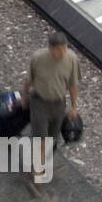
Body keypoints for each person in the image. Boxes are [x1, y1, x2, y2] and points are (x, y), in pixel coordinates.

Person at [23, 31, 80, 186]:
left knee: (50, 140)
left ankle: (37, 162)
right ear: (50, 48)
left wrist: (74, 106)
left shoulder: (72, 59)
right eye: (59, 49)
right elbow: (28, 80)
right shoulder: (38, 58)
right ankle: (38, 174)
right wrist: (23, 97)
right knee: (41, 140)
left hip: (58, 104)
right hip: (39, 103)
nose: (62, 52)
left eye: (64, 48)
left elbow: (73, 84)